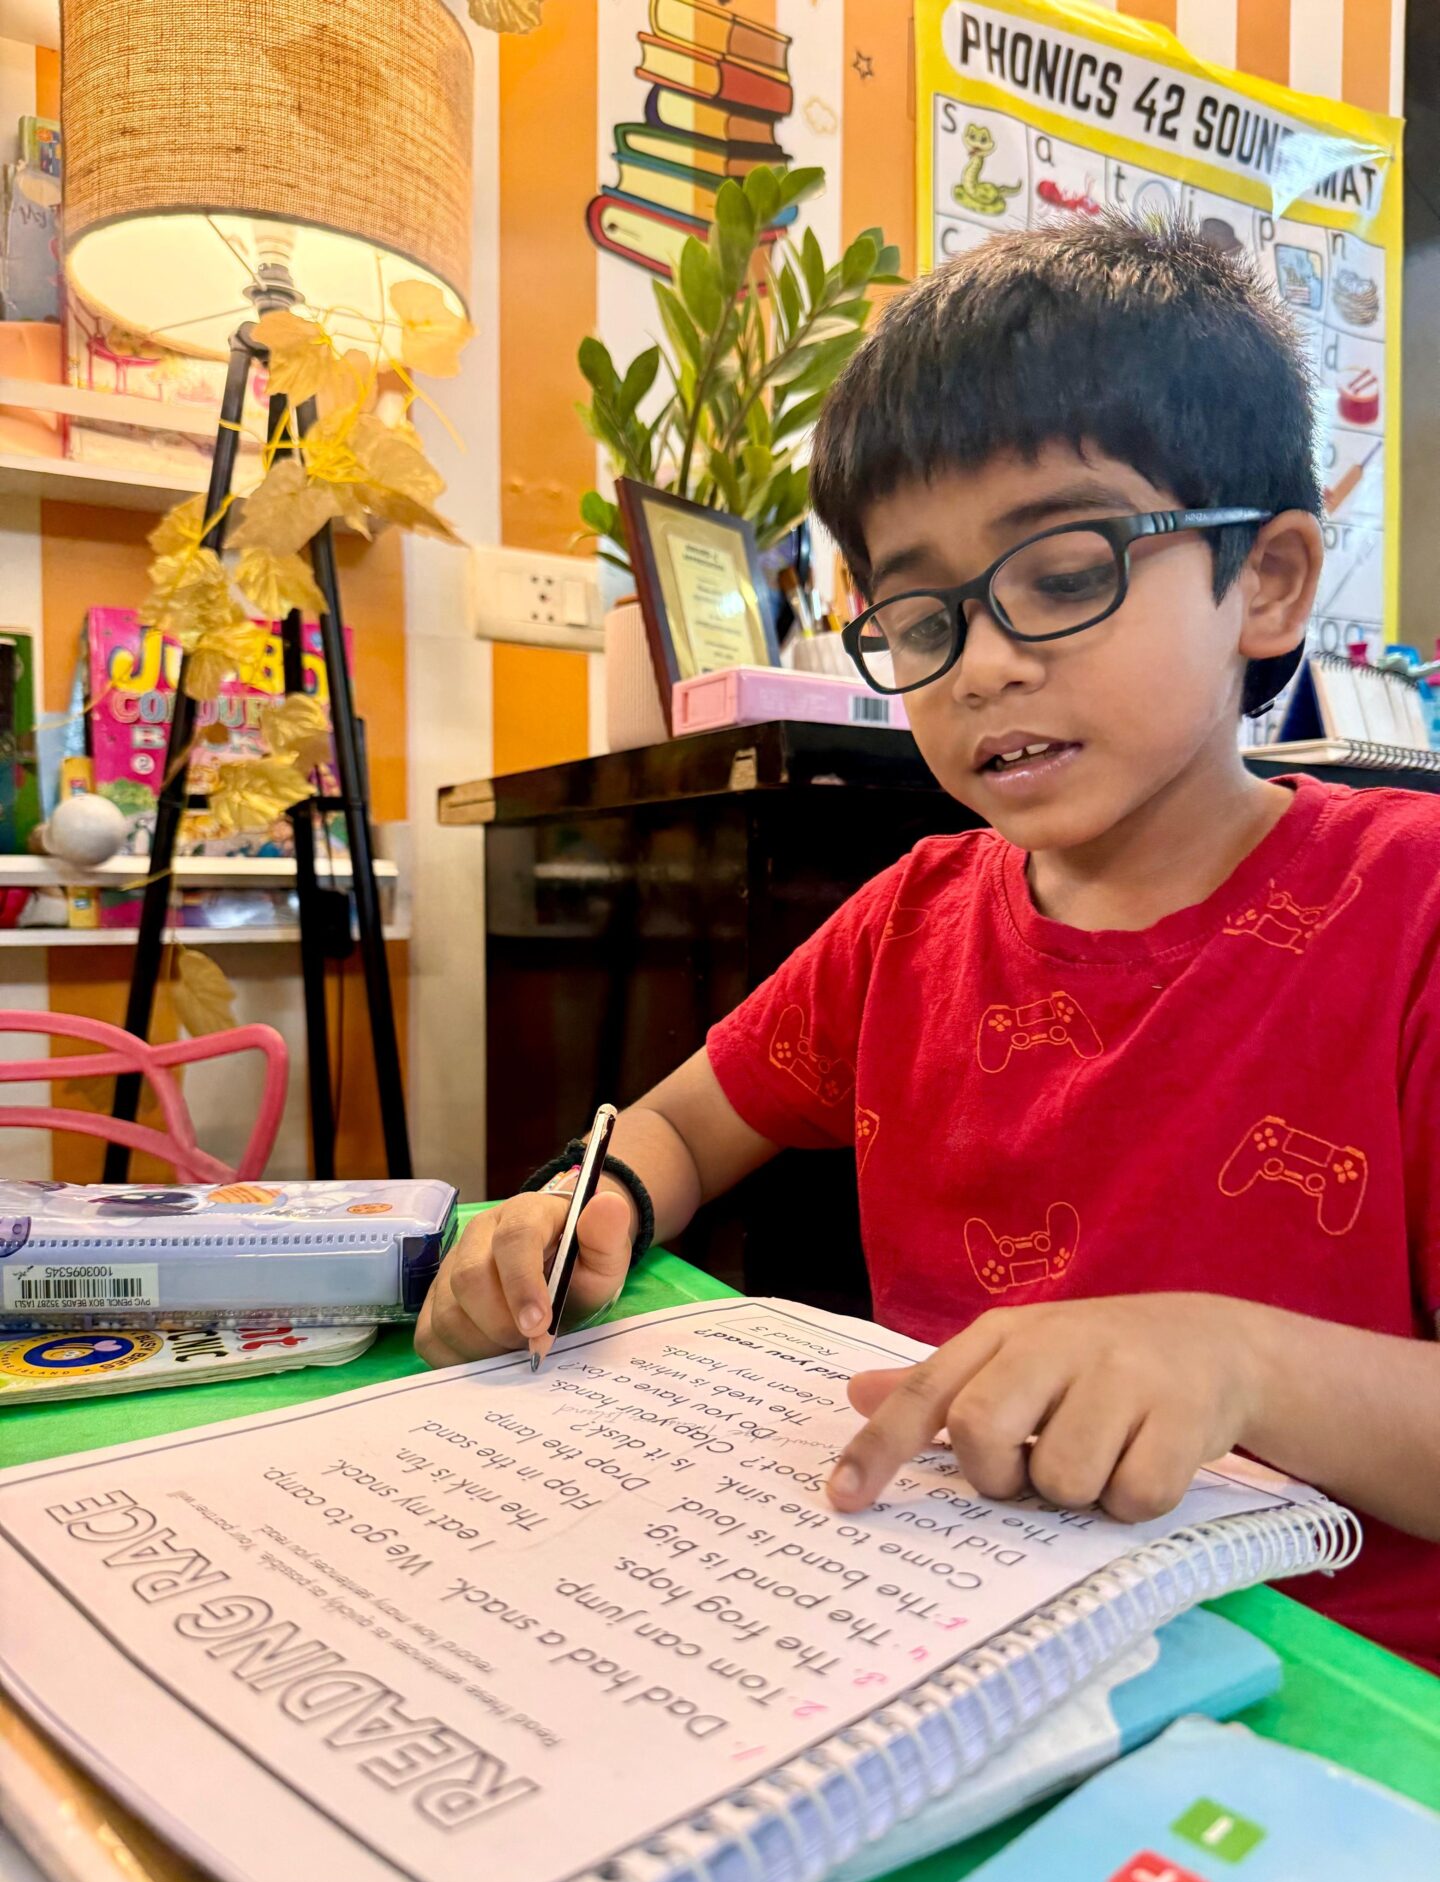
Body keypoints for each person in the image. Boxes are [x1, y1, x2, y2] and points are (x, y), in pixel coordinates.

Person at [417, 218, 1440, 1671]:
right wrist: (595, 1203)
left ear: (1266, 581)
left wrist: (1244, 1362)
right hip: (935, 1634)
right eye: (919, 615)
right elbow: (682, 1127)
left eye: (1067, 573)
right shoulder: (913, 920)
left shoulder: (1410, 912)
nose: (985, 664)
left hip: (1325, 1678)